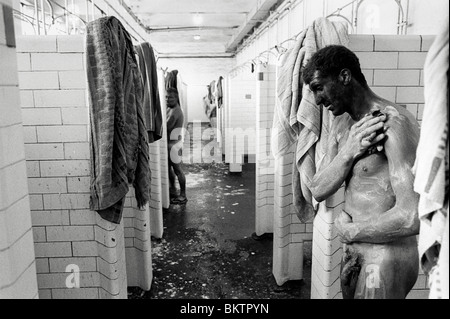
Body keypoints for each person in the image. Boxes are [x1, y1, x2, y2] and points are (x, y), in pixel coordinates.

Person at [303, 45, 421, 299]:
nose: (317, 100)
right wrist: (349, 150)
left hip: (385, 256)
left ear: (344, 77)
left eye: (319, 87)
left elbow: (413, 215)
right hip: (355, 250)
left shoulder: (394, 124)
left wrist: (350, 231)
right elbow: (318, 189)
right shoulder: (343, 124)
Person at [166, 87, 188, 205]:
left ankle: (183, 195)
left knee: (178, 170)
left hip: (174, 145)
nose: (167, 99)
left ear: (176, 98)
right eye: (166, 97)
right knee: (170, 169)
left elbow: (166, 127)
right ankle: (173, 190)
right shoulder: (170, 108)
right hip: (170, 144)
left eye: (170, 97)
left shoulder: (176, 111)